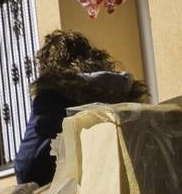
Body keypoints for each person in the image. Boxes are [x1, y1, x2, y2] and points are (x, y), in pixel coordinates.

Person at [14, 30, 148, 185]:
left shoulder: (53, 94)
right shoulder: (123, 90)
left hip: (67, 191)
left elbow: (28, 168)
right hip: (121, 185)